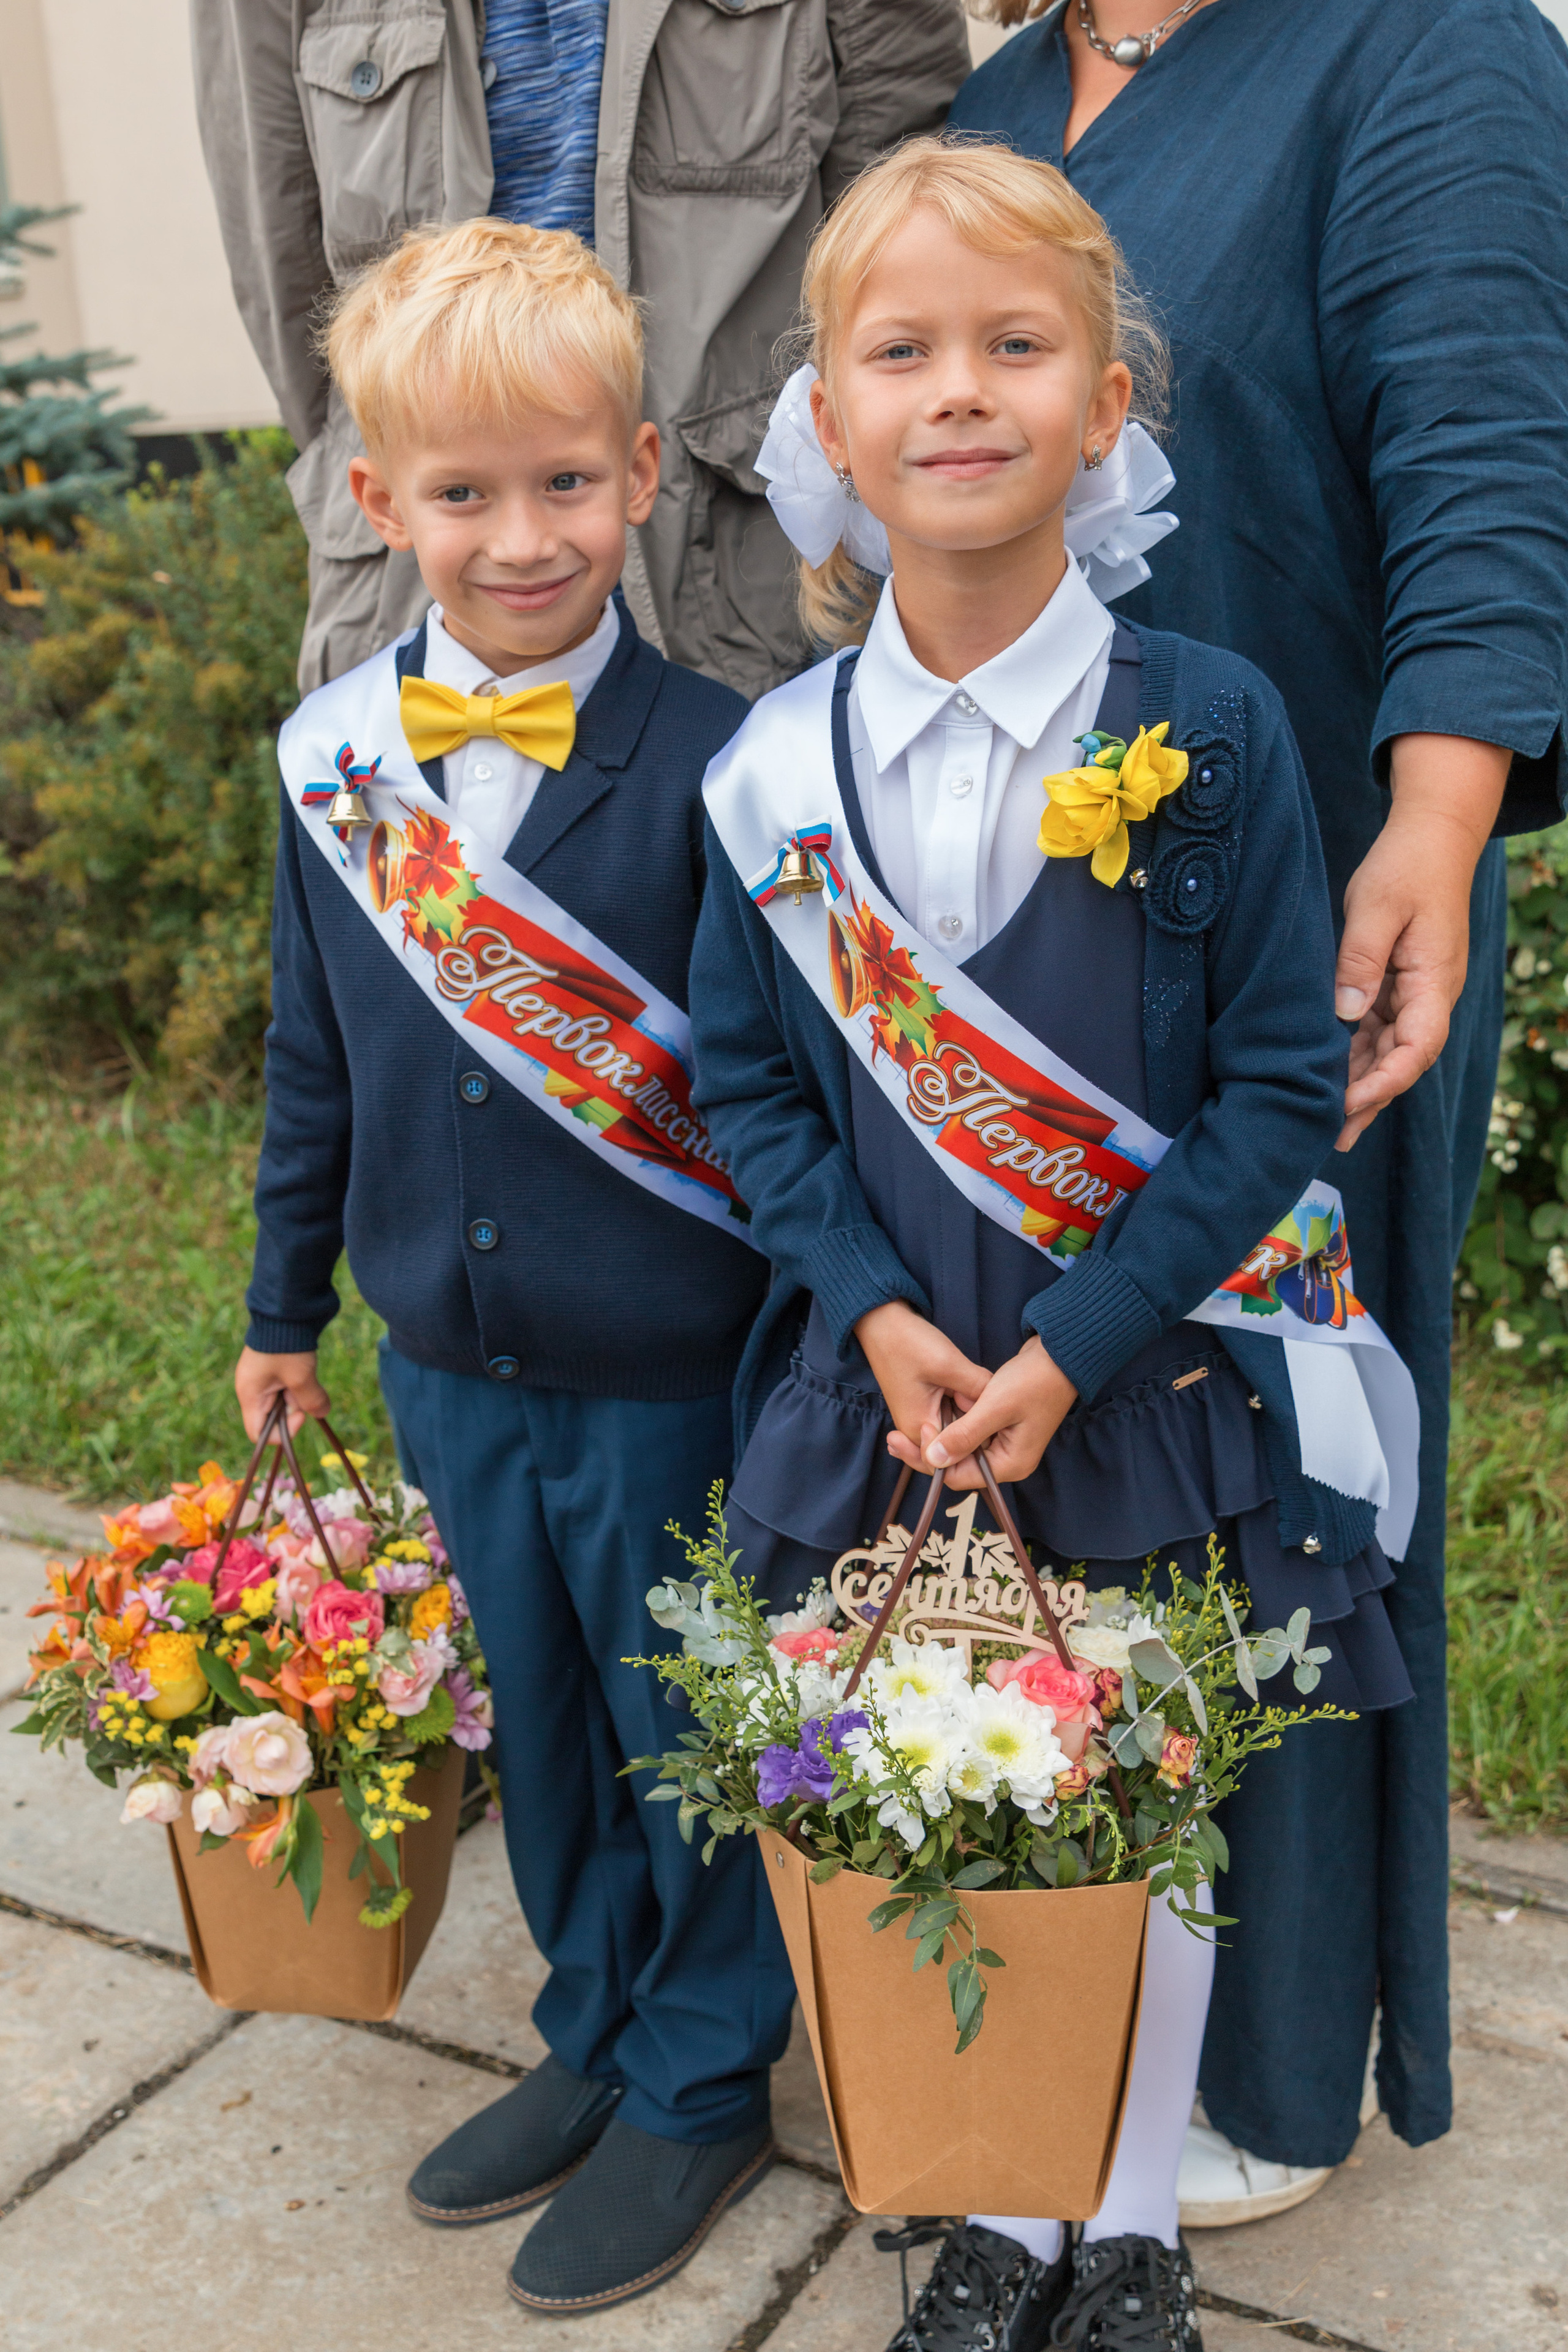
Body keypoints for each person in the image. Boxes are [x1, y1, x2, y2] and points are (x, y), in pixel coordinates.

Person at [689, 138, 1417, 2352]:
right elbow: (746, 1088)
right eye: (897, 350)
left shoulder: (1211, 727)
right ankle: (990, 2204)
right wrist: (876, 1309)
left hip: (1135, 1396)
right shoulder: (769, 771)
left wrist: (1076, 1339)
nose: (957, 393)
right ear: (824, 419)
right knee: (944, 1787)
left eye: (1016, 347)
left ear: (1108, 402)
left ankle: (1123, 2228)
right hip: (893, 1397)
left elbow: (1278, 1092)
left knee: (1131, 1804)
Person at [947, 0, 1568, 2226]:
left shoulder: (1420, 47)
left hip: (1310, 932)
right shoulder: (997, 99)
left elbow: (1482, 451)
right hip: (1014, 953)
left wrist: (1439, 815)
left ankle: (1275, 2049)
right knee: (1088, 1462)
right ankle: (1071, 1971)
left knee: (1285, 1476)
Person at [232, 217, 797, 2315]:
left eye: (566, 482)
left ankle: (705, 2074)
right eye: (463, 493)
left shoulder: (738, 758)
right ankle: (594, 2027)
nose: (523, 535)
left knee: (685, 1722)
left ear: (645, 472)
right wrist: (287, 1302)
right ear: (380, 504)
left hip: (672, 1365)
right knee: (540, 1725)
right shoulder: (332, 765)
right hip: (445, 1358)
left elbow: (777, 1093)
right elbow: (318, 1060)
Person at [191, 0, 971, 701]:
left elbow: (901, 250)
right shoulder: (333, 746)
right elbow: (290, 279)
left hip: (742, 598)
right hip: (419, 604)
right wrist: (436, 485)